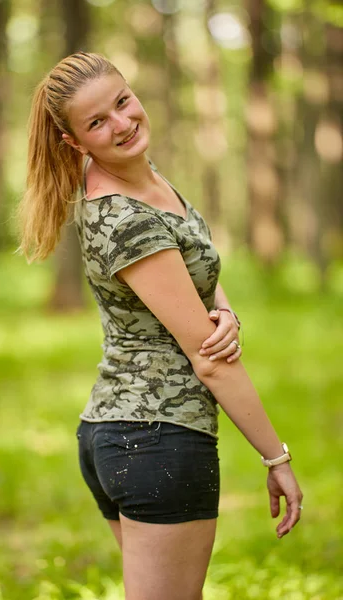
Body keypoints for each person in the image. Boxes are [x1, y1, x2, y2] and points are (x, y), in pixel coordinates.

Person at [19, 51, 303, 600]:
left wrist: (227, 311)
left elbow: (191, 273)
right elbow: (210, 360)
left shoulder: (141, 177)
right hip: (156, 441)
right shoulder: (126, 219)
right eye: (97, 123)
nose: (122, 124)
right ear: (74, 143)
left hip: (120, 433)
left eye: (122, 102)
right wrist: (276, 458)